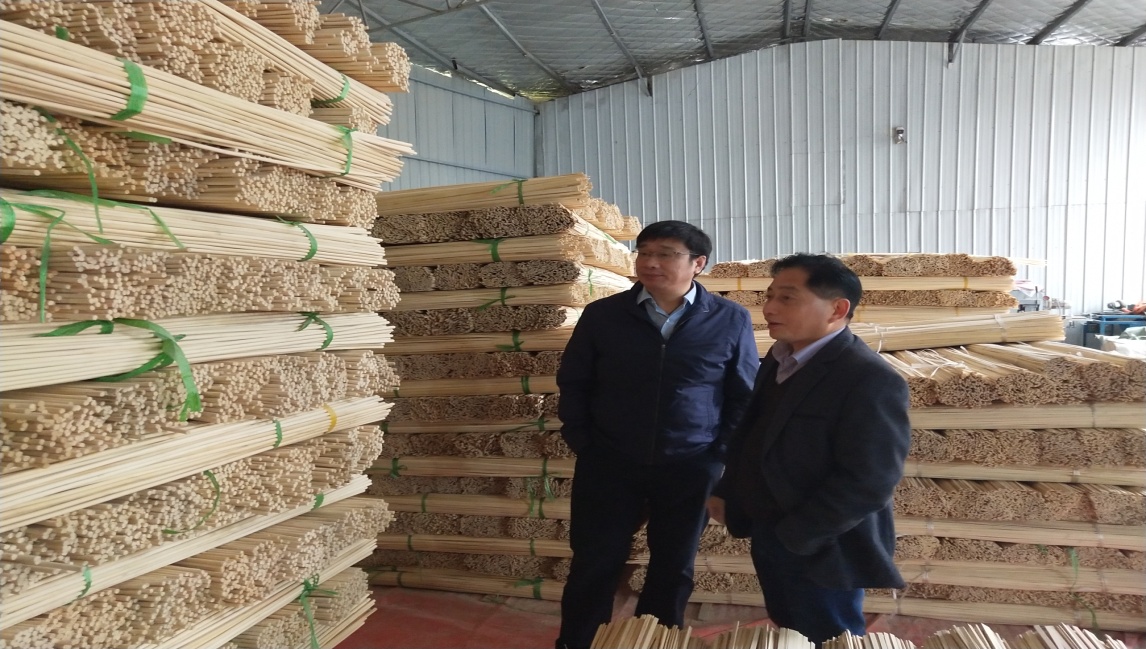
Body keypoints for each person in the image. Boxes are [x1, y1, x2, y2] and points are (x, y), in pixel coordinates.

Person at [555, 221, 759, 649]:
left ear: (698, 264)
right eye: (644, 252)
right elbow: (574, 382)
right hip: (610, 460)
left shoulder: (729, 318)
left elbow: (742, 393)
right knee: (595, 562)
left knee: (673, 565)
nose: (650, 262)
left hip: (691, 464)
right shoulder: (604, 315)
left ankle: (655, 642)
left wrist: (719, 454)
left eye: (666, 254)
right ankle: (578, 642)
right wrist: (585, 443)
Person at [707, 253, 911, 647]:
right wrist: (727, 491)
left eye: (787, 298)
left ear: (837, 309)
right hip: (772, 531)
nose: (769, 308)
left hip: (823, 546)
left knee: (828, 636)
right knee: (789, 629)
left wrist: (796, 536)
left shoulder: (868, 378)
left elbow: (870, 480)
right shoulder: (780, 359)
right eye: (769, 296)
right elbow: (755, 435)